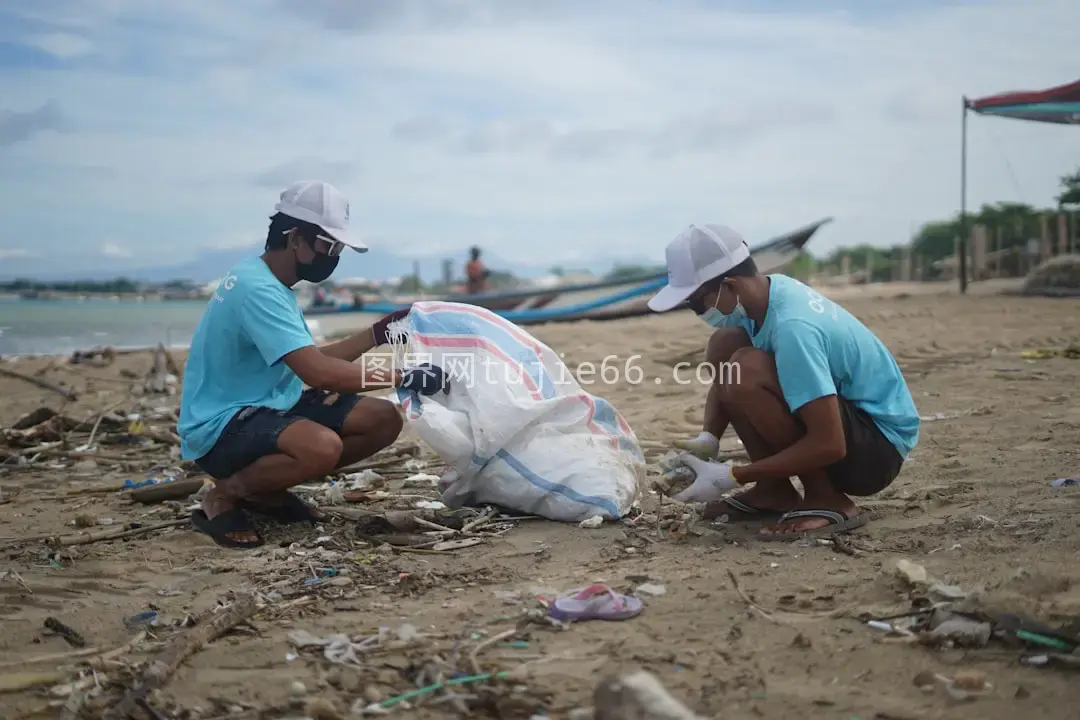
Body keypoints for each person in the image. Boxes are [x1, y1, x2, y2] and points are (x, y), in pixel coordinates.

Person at [178, 180, 449, 549]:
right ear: (294, 238)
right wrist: (403, 375)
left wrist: (378, 333)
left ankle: (264, 491)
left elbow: (312, 359)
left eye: (338, 247)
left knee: (381, 420)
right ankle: (224, 494)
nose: (333, 256)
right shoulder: (258, 290)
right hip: (222, 425)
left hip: (270, 405)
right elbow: (318, 373)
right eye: (328, 245)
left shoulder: (269, 281)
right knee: (321, 447)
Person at [647, 224, 920, 540]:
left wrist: (734, 475)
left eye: (696, 303)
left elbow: (830, 442)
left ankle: (828, 499)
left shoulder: (794, 327)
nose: (698, 312)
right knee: (726, 344)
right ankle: (772, 490)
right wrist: (709, 437)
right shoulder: (766, 295)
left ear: (730, 285)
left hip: (878, 450)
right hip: (852, 428)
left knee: (746, 371)